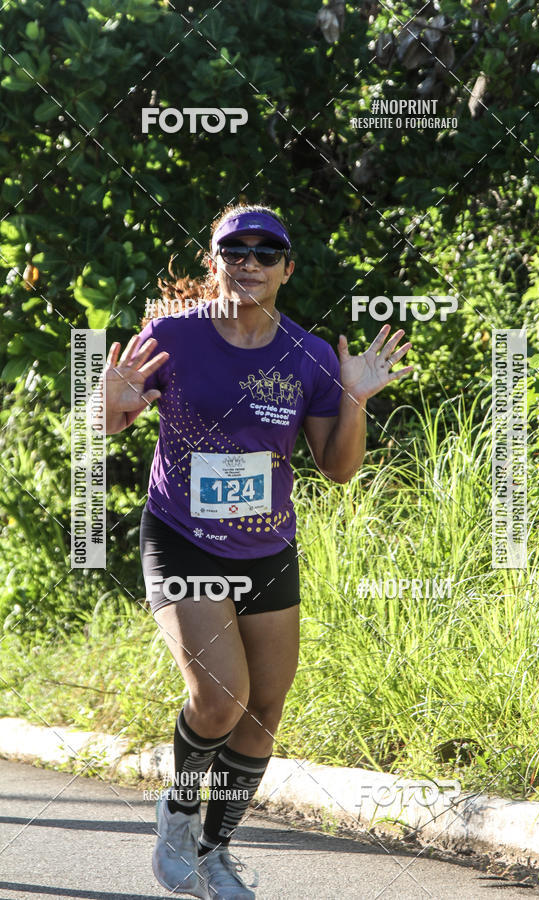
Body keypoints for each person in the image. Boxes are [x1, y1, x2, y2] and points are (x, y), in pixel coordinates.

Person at [100, 203, 412, 899]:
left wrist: (355, 398)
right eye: (234, 251)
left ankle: (214, 855)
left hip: (266, 548)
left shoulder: (308, 355)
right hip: (183, 537)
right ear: (214, 262)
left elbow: (338, 468)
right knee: (219, 700)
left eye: (265, 252)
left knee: (264, 710)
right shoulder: (174, 337)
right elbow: (113, 421)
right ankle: (178, 816)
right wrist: (109, 403)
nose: (249, 263)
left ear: (286, 269)